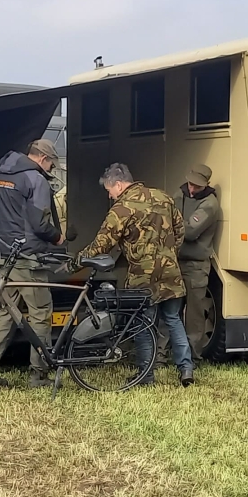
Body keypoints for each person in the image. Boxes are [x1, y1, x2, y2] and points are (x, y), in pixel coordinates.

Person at [80, 162, 193, 386]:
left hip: (143, 278)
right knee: (173, 320)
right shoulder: (163, 197)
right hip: (170, 272)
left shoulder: (121, 209)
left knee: (143, 324)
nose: (110, 196)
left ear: (118, 185)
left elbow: (101, 245)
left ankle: (146, 375)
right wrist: (169, 255)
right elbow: (180, 231)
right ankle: (186, 369)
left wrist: (76, 262)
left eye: (109, 190)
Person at [0, 138, 62, 387]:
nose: (51, 169)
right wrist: (58, 237)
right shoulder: (35, 179)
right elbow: (40, 224)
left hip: (2, 255)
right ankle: (39, 374)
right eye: (51, 164)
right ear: (43, 158)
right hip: (27, 257)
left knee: (5, 312)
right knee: (40, 312)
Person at [176, 162, 220, 353]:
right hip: (176, 261)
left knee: (194, 315)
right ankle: (161, 354)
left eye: (197, 186)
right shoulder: (179, 194)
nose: (192, 189)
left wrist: (174, 226)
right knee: (169, 311)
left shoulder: (210, 203)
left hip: (196, 265)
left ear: (206, 185)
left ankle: (192, 356)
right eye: (191, 184)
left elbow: (190, 231)